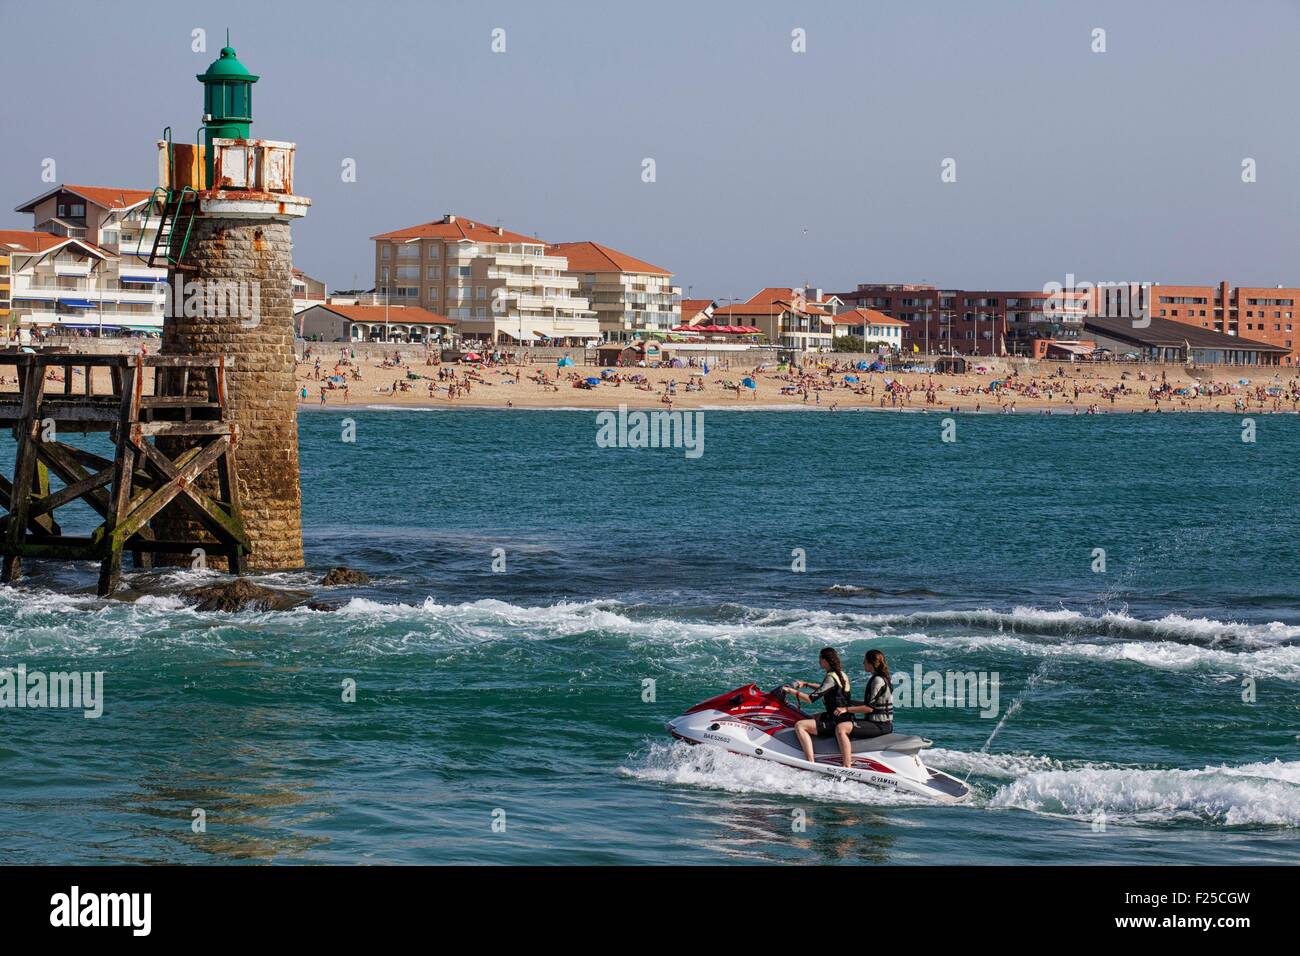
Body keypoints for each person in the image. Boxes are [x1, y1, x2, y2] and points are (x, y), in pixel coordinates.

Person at [782, 647, 854, 768]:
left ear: (825, 661)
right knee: (813, 716)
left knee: (800, 725)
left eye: (820, 659)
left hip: (836, 720)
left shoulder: (830, 677)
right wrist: (806, 684)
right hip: (844, 717)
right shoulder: (840, 674)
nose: (819, 661)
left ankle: (810, 763)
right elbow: (824, 689)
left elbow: (811, 699)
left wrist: (791, 691)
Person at [837, 649, 894, 744]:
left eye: (865, 661)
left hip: (880, 725)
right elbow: (873, 705)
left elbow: (869, 708)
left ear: (871, 663)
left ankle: (846, 759)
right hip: (880, 723)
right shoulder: (883, 677)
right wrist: (850, 702)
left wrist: (846, 709)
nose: (863, 663)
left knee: (841, 727)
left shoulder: (878, 680)